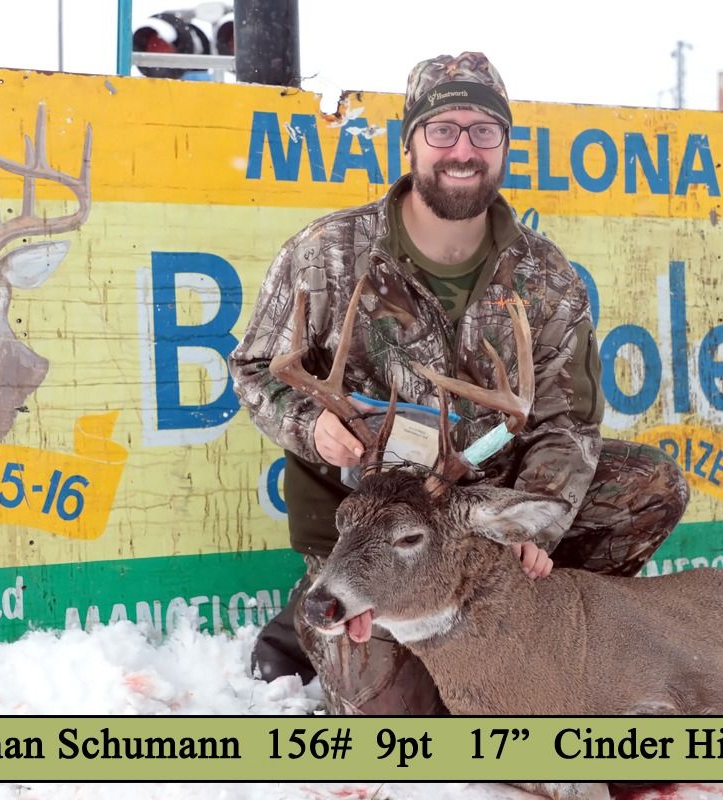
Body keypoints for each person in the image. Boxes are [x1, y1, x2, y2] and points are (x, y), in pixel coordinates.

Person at [229, 51, 690, 714]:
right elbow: (254, 370)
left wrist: (534, 524)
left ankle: (524, 634)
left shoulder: (545, 276)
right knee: (400, 715)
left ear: (504, 144)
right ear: (410, 143)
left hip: (479, 510)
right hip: (370, 523)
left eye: (483, 131)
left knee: (651, 485)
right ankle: (319, 601)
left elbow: (567, 422)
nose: (463, 150)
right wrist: (309, 423)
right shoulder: (326, 253)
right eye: (443, 130)